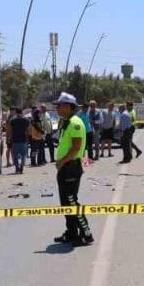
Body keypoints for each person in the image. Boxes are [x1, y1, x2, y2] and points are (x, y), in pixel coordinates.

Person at [52, 92, 94, 246]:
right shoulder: (66, 121)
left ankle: (86, 233)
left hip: (70, 167)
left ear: (69, 107)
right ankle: (71, 232)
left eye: (60, 106)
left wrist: (62, 161)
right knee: (65, 204)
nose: (57, 109)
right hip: (65, 167)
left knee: (71, 202)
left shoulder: (75, 123)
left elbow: (76, 148)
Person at [7, 107, 29, 174]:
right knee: (24, 155)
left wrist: (9, 139)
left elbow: (10, 131)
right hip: (23, 140)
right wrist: (27, 138)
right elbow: (28, 130)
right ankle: (21, 167)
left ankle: (17, 169)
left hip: (15, 140)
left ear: (16, 112)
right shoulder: (26, 120)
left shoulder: (12, 120)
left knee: (15, 156)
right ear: (22, 112)